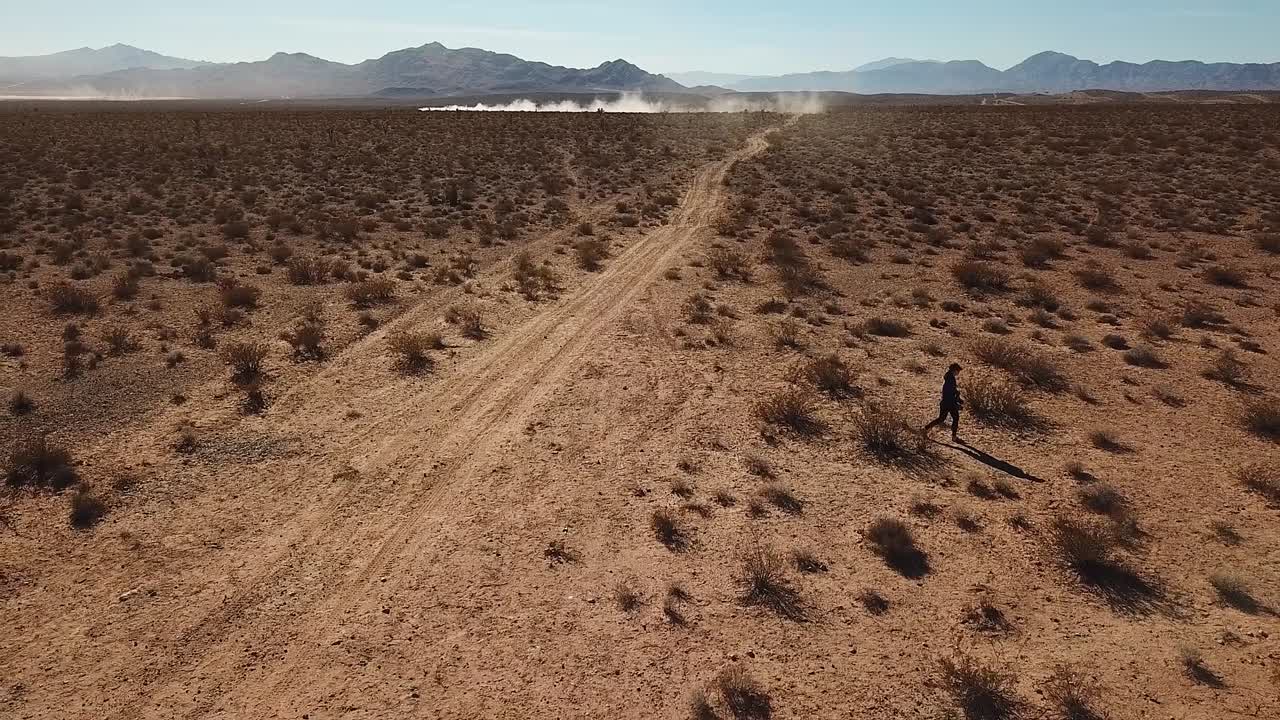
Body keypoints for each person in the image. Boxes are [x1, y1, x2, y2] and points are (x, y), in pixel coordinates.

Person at [923, 363, 963, 442]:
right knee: (955, 418)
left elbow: (951, 391)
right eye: (958, 371)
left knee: (941, 419)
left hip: (945, 402)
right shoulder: (950, 379)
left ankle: (926, 429)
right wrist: (957, 403)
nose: (958, 373)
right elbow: (951, 393)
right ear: (954, 370)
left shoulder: (949, 378)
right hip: (949, 403)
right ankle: (954, 437)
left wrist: (958, 400)